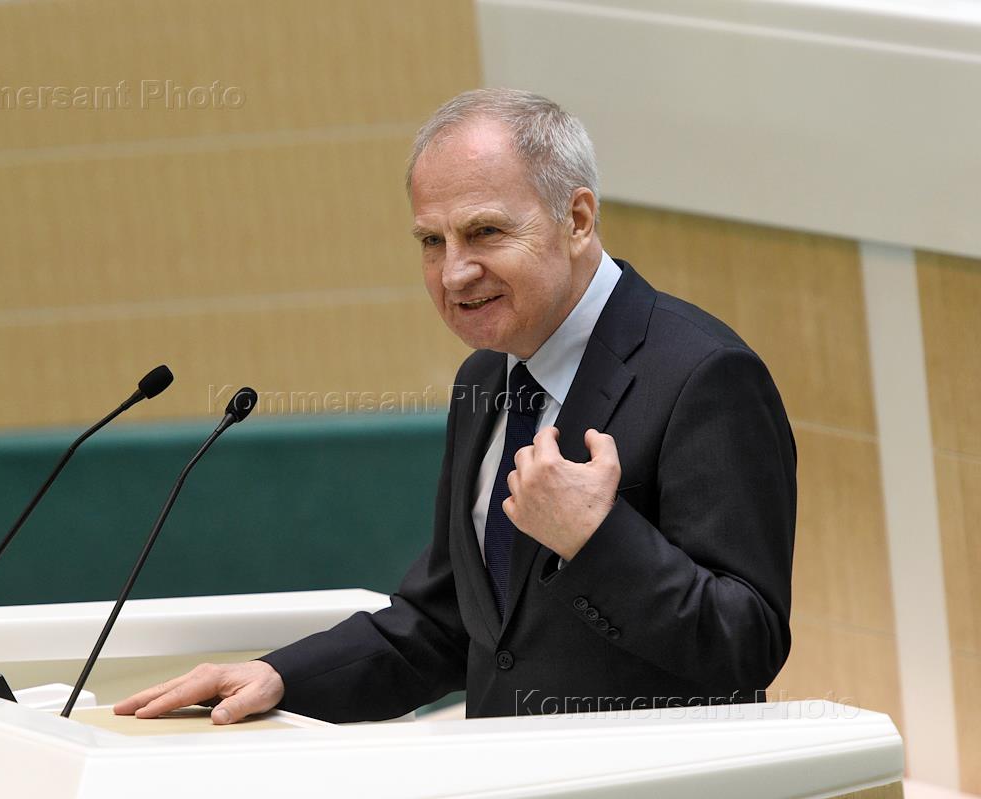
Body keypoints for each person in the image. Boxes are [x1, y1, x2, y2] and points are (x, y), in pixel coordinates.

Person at [114, 89, 797, 724]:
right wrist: (278, 677)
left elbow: (747, 642)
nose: (454, 273)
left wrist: (595, 539)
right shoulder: (486, 377)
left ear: (578, 219)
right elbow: (446, 623)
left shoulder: (705, 374)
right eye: (432, 242)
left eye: (486, 232)